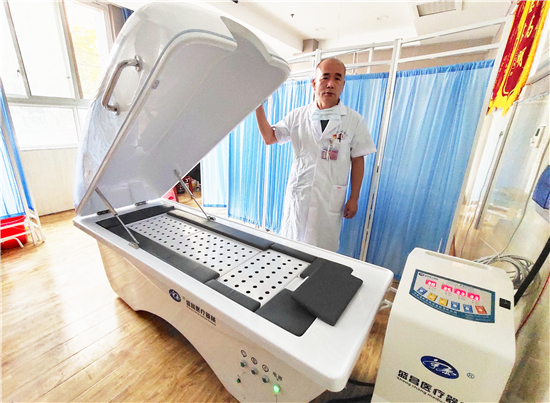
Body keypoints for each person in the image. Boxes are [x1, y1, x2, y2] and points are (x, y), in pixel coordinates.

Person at [255, 58, 376, 252]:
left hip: (329, 200)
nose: (330, 84)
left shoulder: (354, 121)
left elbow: (358, 159)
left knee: (323, 252)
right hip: (300, 195)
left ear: (343, 85)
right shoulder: (297, 116)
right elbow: (269, 137)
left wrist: (354, 197)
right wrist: (257, 105)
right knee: (291, 249)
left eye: (337, 78)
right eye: (325, 77)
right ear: (314, 83)